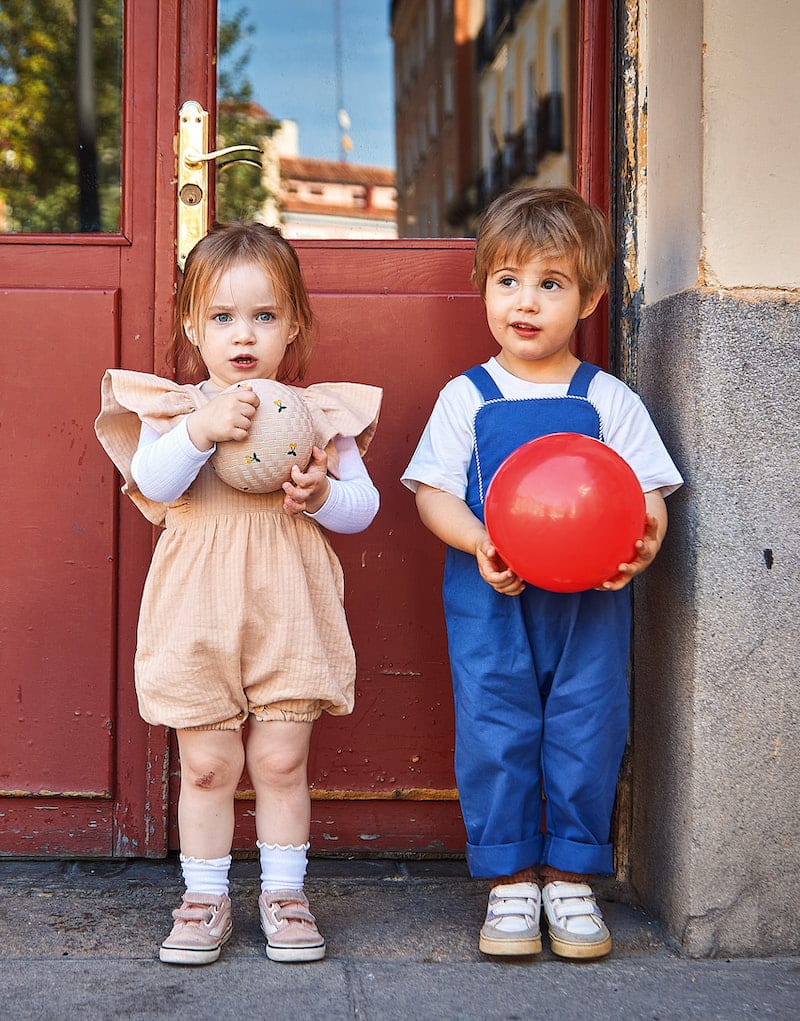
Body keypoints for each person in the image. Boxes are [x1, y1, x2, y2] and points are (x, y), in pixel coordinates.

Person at [401, 186, 682, 960]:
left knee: (588, 725)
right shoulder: (467, 397)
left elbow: (648, 495)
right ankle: (510, 878)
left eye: (551, 283)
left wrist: (641, 546)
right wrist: (478, 539)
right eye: (508, 280)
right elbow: (431, 493)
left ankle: (570, 875)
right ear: (484, 287)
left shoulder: (607, 400)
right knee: (496, 729)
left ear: (589, 298)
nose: (526, 301)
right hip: (491, 599)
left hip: (590, 605)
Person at [95, 223, 381, 966]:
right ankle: (204, 896)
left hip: (288, 606)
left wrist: (321, 495)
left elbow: (364, 509)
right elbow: (153, 485)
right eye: (222, 317)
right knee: (208, 765)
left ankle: (285, 894)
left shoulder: (315, 414)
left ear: (294, 325)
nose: (243, 334)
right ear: (193, 327)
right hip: (198, 608)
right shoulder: (175, 409)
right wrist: (200, 429)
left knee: (281, 761)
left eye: (264, 315)